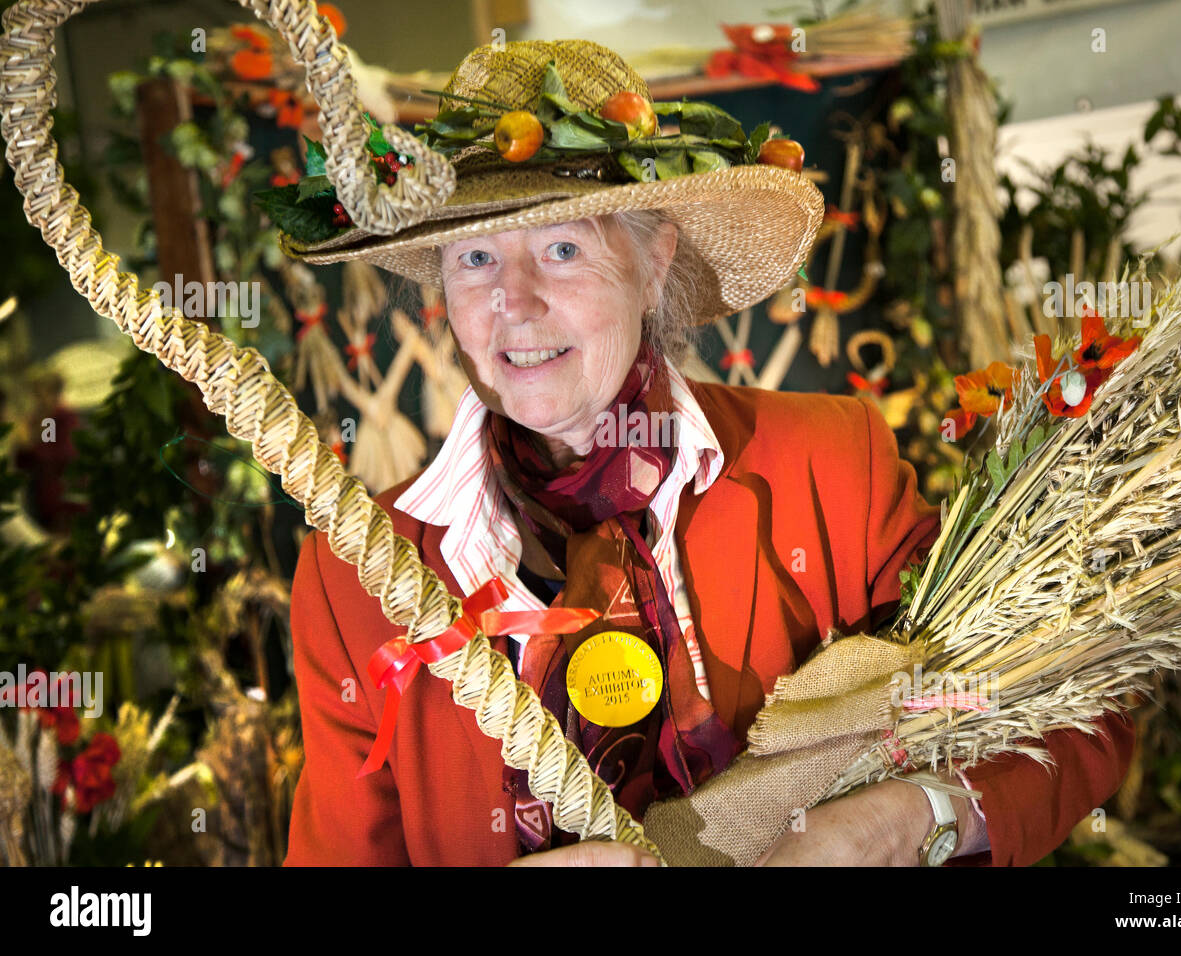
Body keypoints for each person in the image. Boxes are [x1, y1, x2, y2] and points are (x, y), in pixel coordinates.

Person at [281, 39, 1134, 866]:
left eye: (562, 248)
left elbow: (1070, 699)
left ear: (654, 265)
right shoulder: (354, 578)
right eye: (474, 258)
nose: (515, 301)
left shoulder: (832, 464)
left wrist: (904, 819)